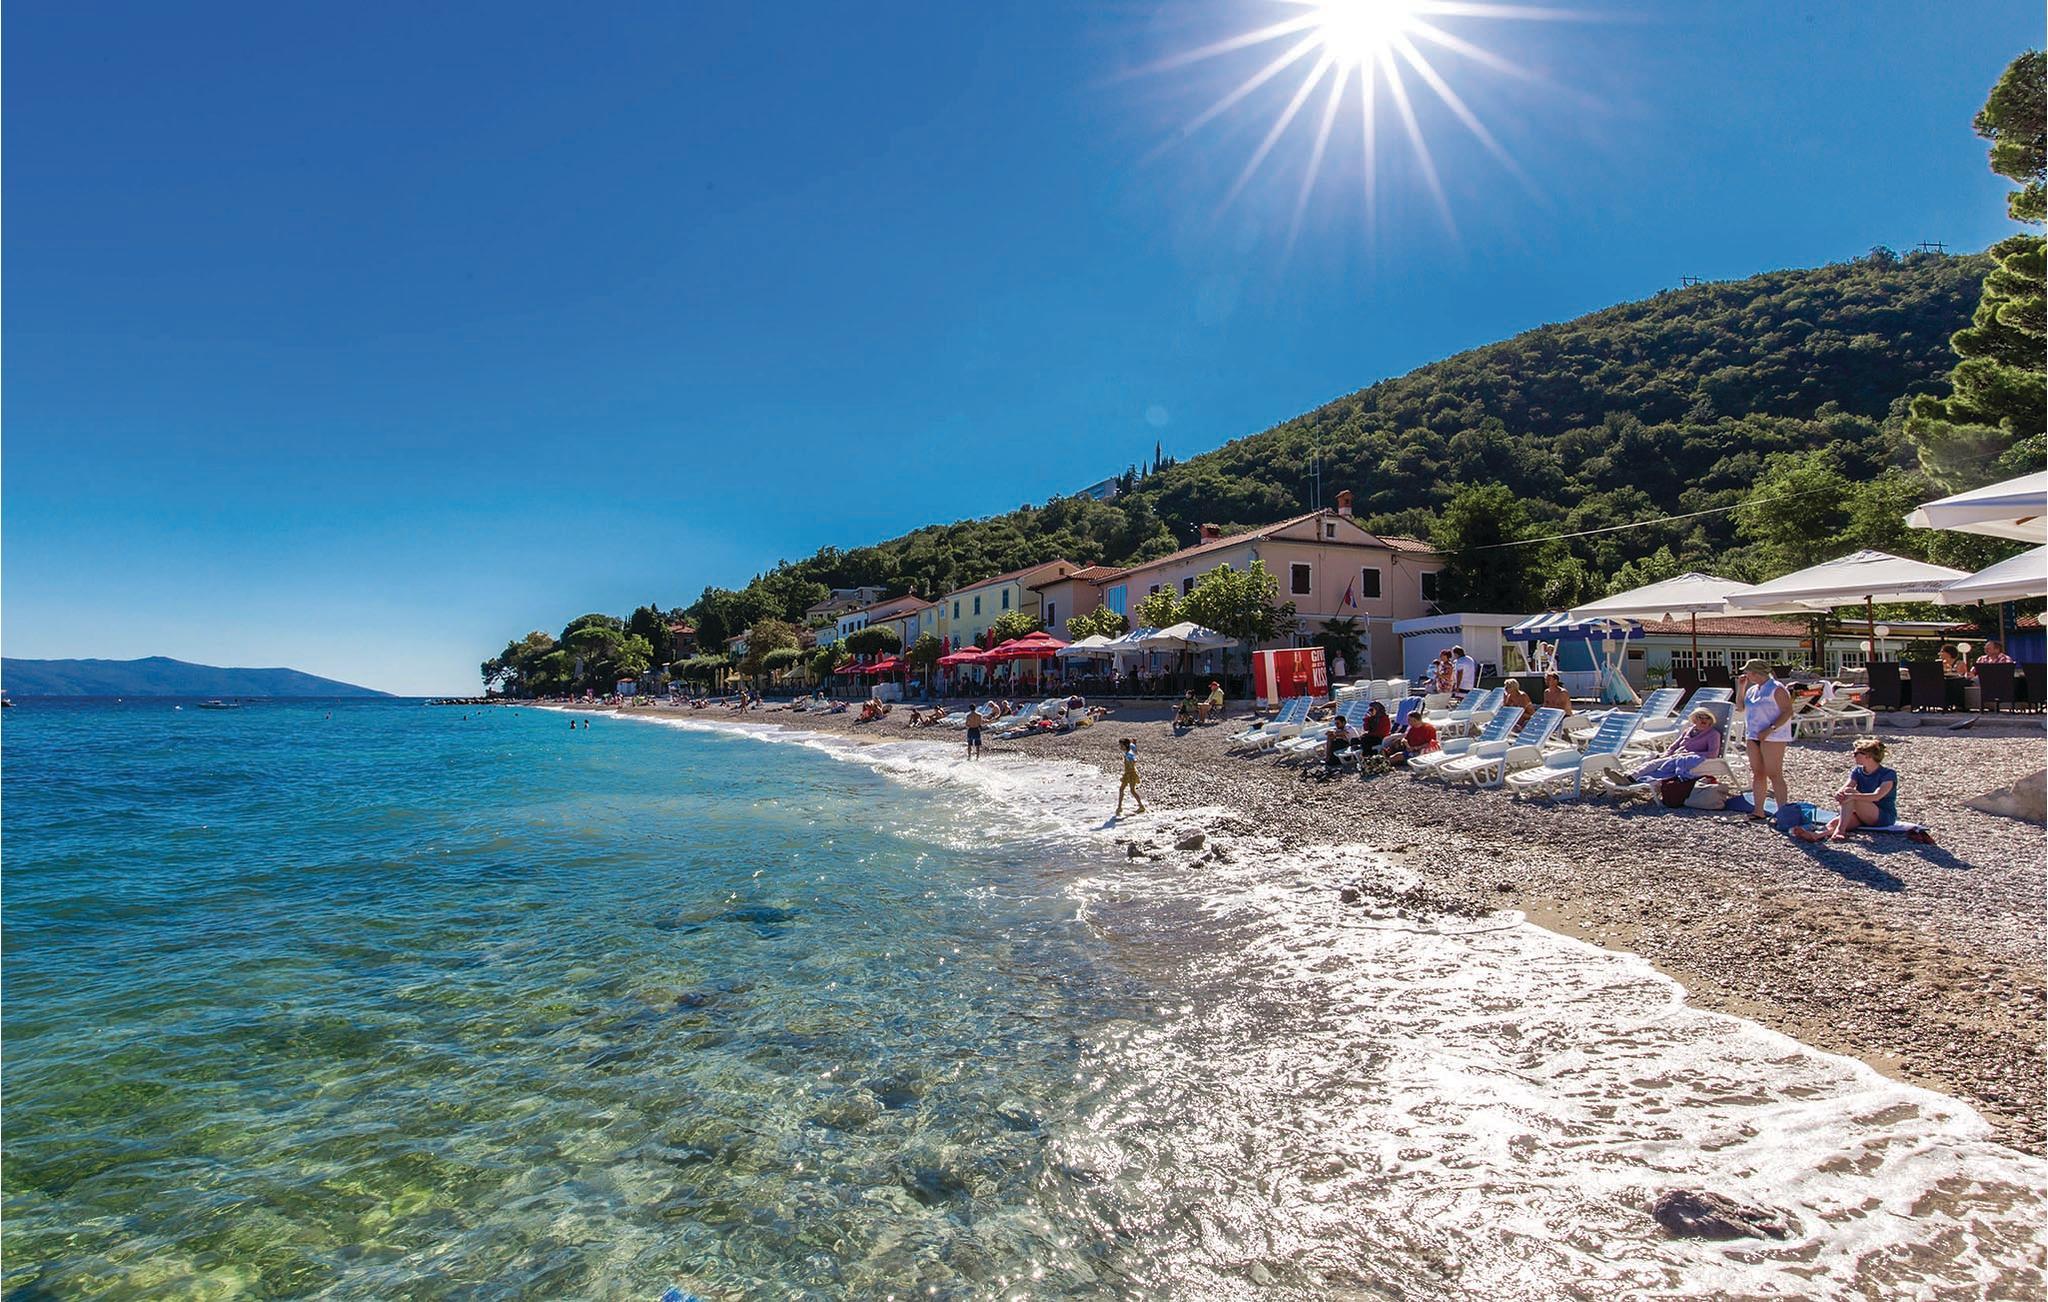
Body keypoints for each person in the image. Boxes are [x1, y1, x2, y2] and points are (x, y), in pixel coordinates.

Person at [1794, 738, 1899, 842]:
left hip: (1882, 816)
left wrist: (1851, 796)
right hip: (1862, 814)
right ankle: (1817, 835)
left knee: (1850, 793)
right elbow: (1847, 786)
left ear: (1868, 756)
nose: (1853, 756)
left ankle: (1840, 831)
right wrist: (1839, 794)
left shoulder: (1888, 774)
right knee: (1835, 822)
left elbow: (1877, 796)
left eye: (1856, 754)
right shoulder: (1858, 771)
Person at [1605, 707, 1722, 786]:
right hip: (1674, 756)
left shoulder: (1713, 734)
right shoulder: (1689, 730)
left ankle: (1629, 779)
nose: (1703, 720)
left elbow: (1712, 754)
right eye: (1700, 717)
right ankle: (1627, 775)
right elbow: (1675, 745)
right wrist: (1666, 754)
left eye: (1707, 718)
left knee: (1653, 764)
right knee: (1650, 758)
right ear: (1694, 719)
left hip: (1686, 760)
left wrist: (1691, 754)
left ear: (1711, 720)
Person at [1740, 659, 1794, 821]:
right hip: (1753, 735)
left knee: (1774, 774)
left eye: (1748, 672)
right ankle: (1758, 810)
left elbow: (1787, 711)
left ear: (1756, 673)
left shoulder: (1777, 688)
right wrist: (1741, 687)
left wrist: (1770, 728)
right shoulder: (1752, 690)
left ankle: (1782, 812)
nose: (1746, 675)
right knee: (1758, 773)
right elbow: (1740, 707)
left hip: (1773, 736)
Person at [1116, 737, 1147, 815]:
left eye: (1121, 746)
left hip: (1131, 774)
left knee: (1130, 790)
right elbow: (1133, 748)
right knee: (1124, 790)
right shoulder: (1129, 751)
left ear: (1125, 745)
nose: (1120, 747)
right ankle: (1120, 807)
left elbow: (1133, 760)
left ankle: (1121, 808)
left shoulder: (1129, 754)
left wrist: (1131, 762)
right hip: (1128, 774)